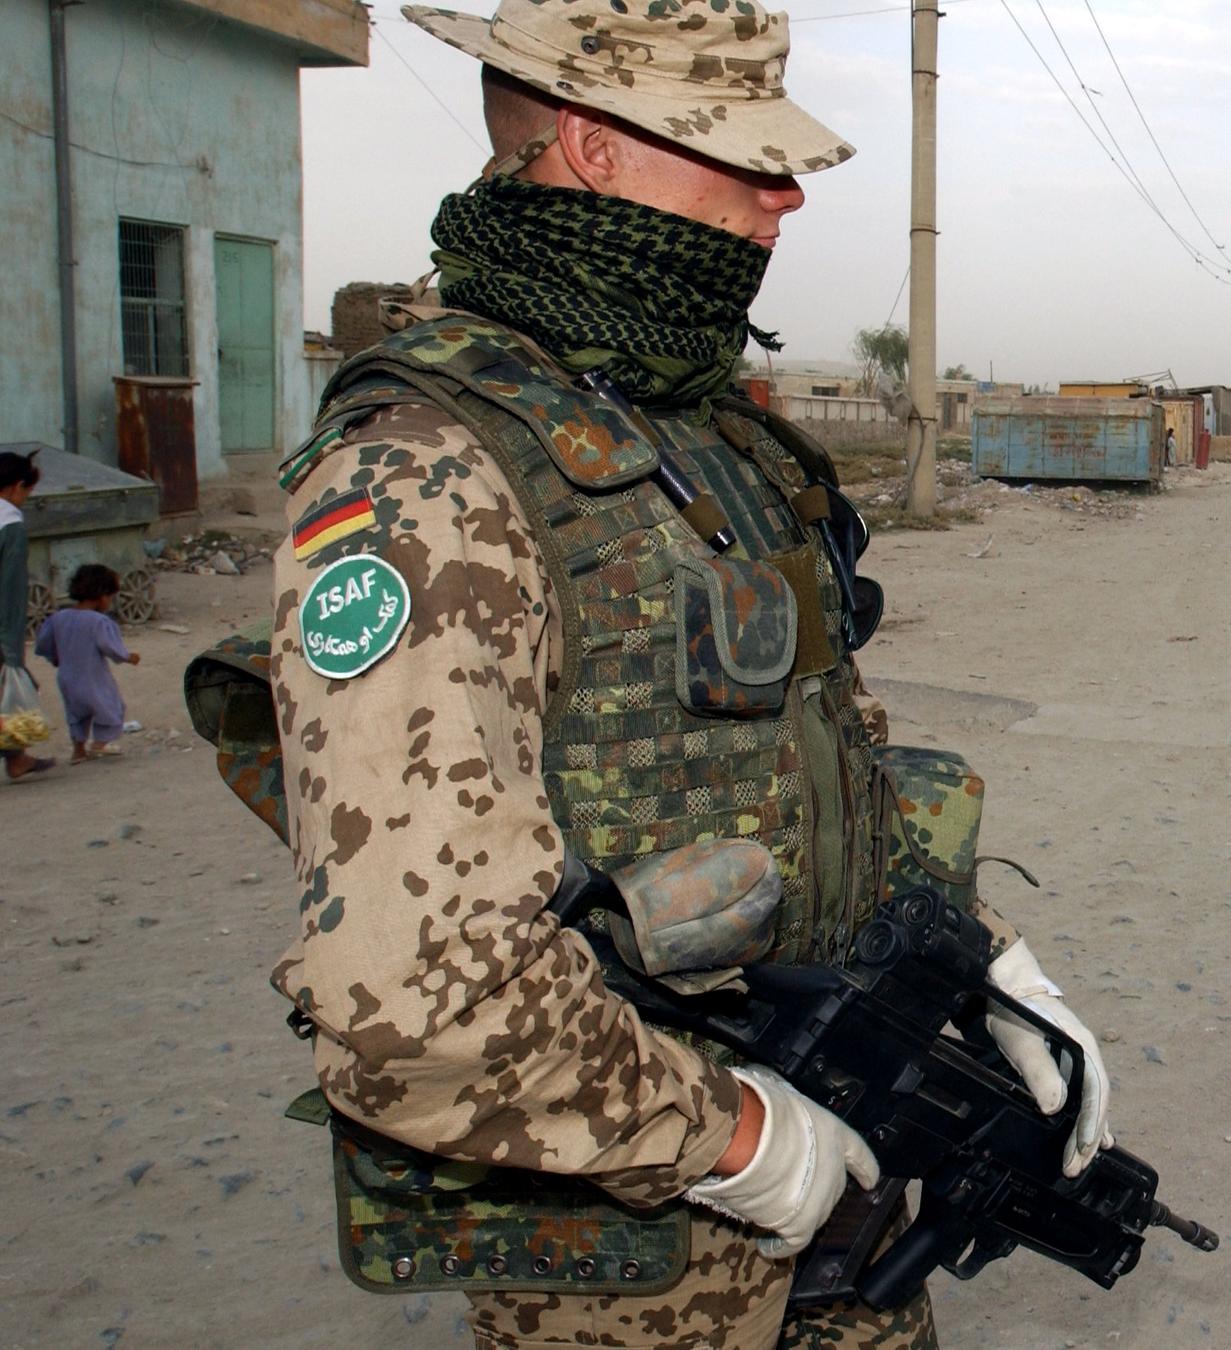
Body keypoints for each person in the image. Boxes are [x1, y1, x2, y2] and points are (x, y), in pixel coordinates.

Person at [260, 4, 1113, 1347]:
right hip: (637, 1269)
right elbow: (414, 998)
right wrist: (736, 1136)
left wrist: (977, 957)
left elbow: (826, 750)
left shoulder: (706, 434)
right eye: (745, 157)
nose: (784, 198)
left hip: (845, 1214)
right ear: (595, 148)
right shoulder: (429, 474)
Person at [34, 564, 138, 762]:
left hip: (66, 677)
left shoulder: (58, 618)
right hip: (92, 676)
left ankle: (78, 750)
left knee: (76, 714)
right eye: (110, 596)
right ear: (102, 595)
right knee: (111, 706)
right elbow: (109, 646)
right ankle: (99, 743)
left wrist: (55, 657)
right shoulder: (98, 621)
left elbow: (44, 643)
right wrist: (128, 656)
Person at [0, 451, 52, 782]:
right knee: (11, 688)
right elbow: (10, 591)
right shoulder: (11, 526)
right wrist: (10, 647)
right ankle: (16, 758)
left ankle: (17, 757)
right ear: (19, 486)